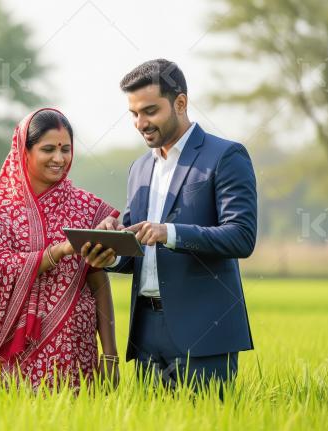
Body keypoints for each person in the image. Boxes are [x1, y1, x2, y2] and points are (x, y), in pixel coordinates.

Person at [85, 59, 257, 394]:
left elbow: (241, 236)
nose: (140, 123)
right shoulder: (138, 168)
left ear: (180, 103)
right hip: (146, 333)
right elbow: (138, 249)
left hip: (204, 332)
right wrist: (111, 255)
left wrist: (170, 233)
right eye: (134, 114)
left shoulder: (225, 156)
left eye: (150, 111)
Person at [0, 108, 120, 390]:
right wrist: (57, 252)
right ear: (24, 151)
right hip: (12, 351)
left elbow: (97, 280)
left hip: (74, 348)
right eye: (48, 149)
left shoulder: (85, 206)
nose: (59, 159)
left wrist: (110, 355)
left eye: (66, 149)